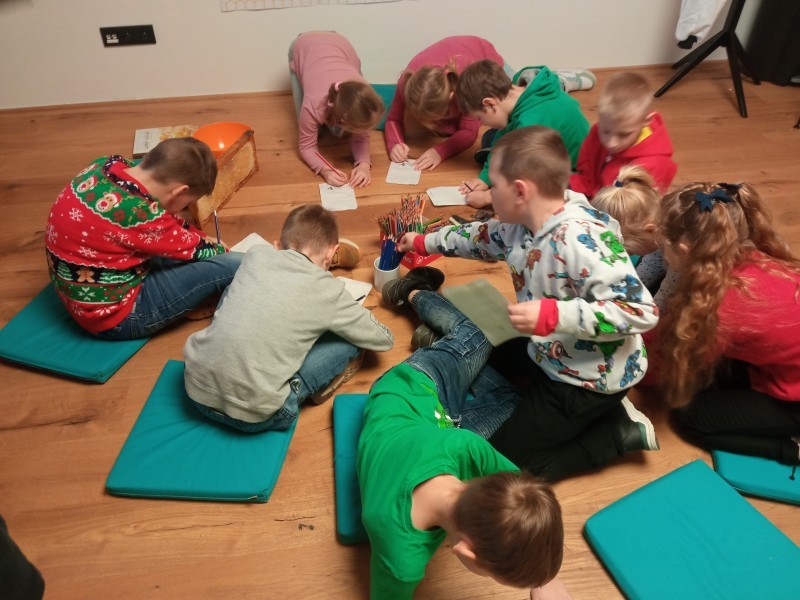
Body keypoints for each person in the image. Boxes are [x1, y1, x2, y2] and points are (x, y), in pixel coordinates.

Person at [394, 126, 660, 481]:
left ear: (520, 191)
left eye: (493, 187)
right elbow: (478, 237)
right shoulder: (520, 222)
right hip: (550, 350)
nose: (487, 194)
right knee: (485, 350)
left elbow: (639, 311)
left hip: (588, 380)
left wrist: (553, 314)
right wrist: (423, 241)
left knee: (506, 470)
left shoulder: (581, 241)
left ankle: (615, 432)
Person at [358, 268, 569, 599]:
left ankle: (452, 352)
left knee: (513, 395)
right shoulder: (400, 557)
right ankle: (414, 292)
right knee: (479, 331)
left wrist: (543, 579)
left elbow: (520, 485)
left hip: (432, 420)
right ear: (467, 554)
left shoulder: (464, 447)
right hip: (412, 384)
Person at [184, 204, 393, 432]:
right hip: (256, 416)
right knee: (351, 339)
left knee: (237, 288)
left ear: (276, 246)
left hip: (195, 390)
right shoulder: (328, 290)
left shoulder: (256, 254)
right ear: (331, 253)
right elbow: (383, 339)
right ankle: (305, 386)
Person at [649, 181, 800, 465]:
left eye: (663, 244)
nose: (659, 248)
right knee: (717, 376)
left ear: (684, 250)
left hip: (795, 400)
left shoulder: (720, 308)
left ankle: (792, 449)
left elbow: (661, 368)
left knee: (690, 418)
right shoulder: (752, 254)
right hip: (787, 369)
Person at [45, 137, 242, 340]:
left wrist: (201, 237)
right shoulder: (142, 213)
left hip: (80, 294)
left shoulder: (106, 164)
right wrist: (218, 249)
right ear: (180, 191)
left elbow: (165, 223)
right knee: (234, 264)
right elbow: (193, 246)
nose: (183, 208)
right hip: (114, 317)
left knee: (181, 249)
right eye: (187, 202)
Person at [454, 60, 590, 209]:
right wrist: (485, 178)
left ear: (490, 104)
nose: (483, 124)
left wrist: (487, 198)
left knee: (532, 199)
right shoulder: (517, 92)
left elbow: (528, 180)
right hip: (546, 149)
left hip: (578, 175)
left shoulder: (530, 123)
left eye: (480, 118)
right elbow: (502, 135)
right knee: (491, 136)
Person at [383, 36, 508, 171]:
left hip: (483, 54)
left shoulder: (465, 88)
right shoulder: (408, 83)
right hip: (456, 54)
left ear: (451, 96)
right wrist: (395, 143)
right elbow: (393, 119)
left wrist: (440, 151)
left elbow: (469, 131)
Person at [288, 31, 385, 188]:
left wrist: (364, 165)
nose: (367, 132)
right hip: (302, 45)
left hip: (341, 43)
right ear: (343, 120)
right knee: (303, 121)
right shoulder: (314, 104)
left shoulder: (364, 93)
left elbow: (362, 139)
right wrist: (325, 170)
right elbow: (306, 147)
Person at [569, 72, 677, 200]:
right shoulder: (603, 127)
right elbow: (587, 166)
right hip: (592, 191)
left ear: (646, 121)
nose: (611, 143)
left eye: (624, 135)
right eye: (605, 131)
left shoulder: (653, 164)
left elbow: (637, 206)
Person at [592, 165, 681, 311]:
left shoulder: (677, 247)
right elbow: (653, 262)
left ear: (650, 230)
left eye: (630, 251)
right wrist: (629, 289)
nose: (628, 254)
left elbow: (668, 290)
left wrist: (648, 313)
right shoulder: (657, 228)